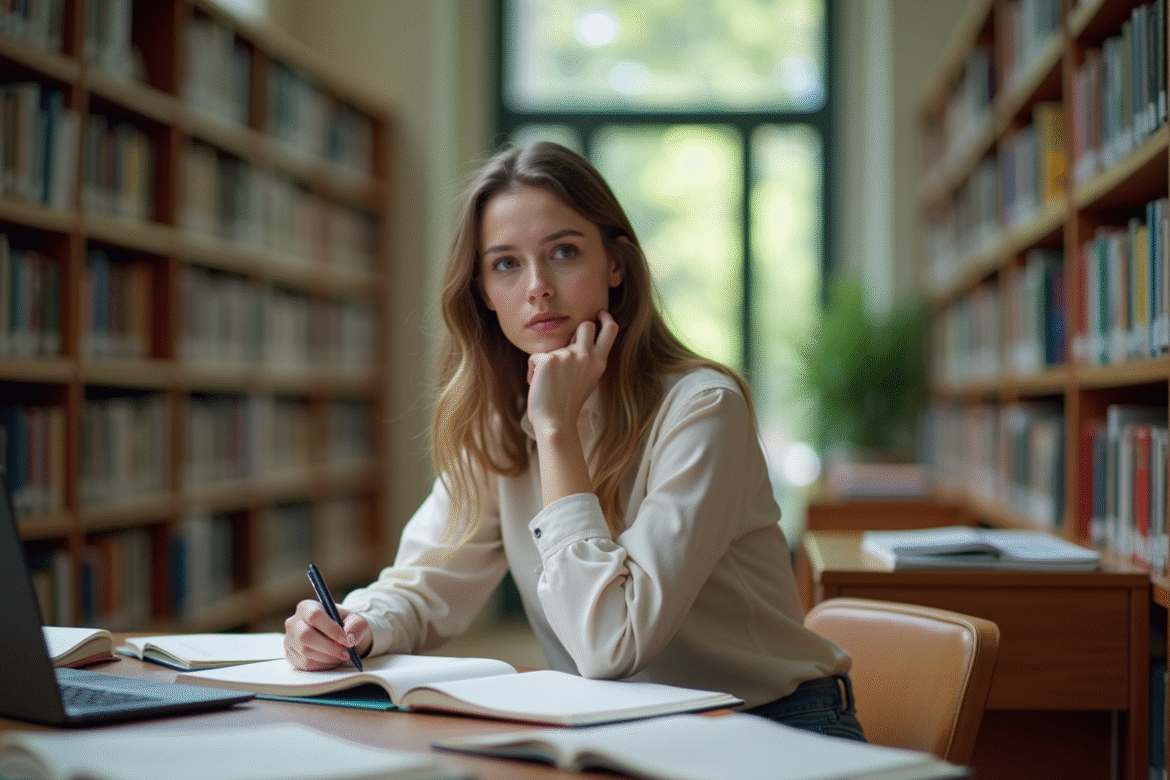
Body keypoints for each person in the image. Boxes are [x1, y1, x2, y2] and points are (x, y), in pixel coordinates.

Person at [283, 141, 864, 740]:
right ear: (482, 291)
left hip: (774, 729)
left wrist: (556, 431)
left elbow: (613, 642)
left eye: (563, 252)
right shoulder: (502, 417)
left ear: (615, 264)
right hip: (623, 731)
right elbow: (430, 579)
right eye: (506, 263)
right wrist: (352, 625)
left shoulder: (703, 408)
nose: (537, 287)